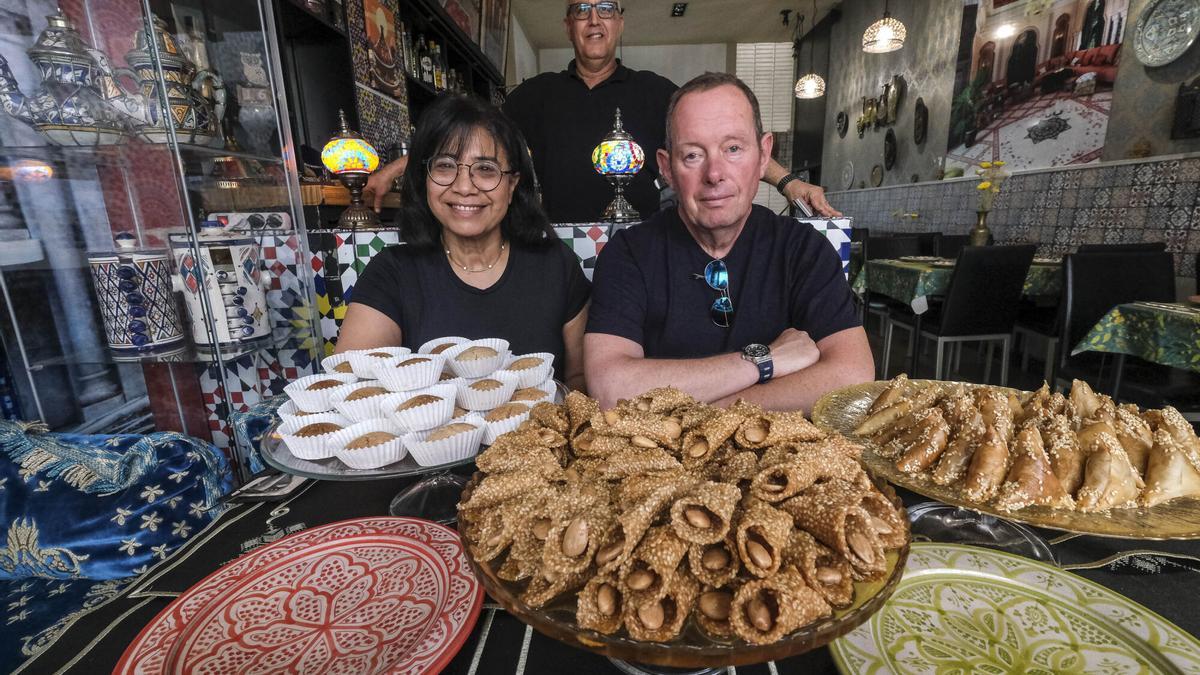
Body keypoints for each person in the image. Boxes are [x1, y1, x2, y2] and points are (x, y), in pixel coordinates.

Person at [365, 0, 840, 222]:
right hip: (557, 249)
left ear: (620, 23)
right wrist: (397, 168)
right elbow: (469, 137)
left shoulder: (657, 91)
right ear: (569, 24)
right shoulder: (536, 94)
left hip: (643, 247)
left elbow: (724, 142)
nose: (594, 19)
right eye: (583, 9)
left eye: (606, 8)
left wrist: (788, 182)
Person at [583, 72, 874, 412]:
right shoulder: (628, 253)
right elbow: (610, 389)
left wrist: (710, 410)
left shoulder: (803, 249)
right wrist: (764, 361)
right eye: (693, 155)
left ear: (763, 155)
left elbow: (853, 376)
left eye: (733, 149)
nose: (714, 174)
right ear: (667, 168)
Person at [337, 95, 590, 392]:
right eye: (445, 166)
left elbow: (580, 380)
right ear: (425, 178)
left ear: (512, 185)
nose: (464, 187)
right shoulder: (392, 273)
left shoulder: (556, 264)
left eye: (485, 169)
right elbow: (352, 388)